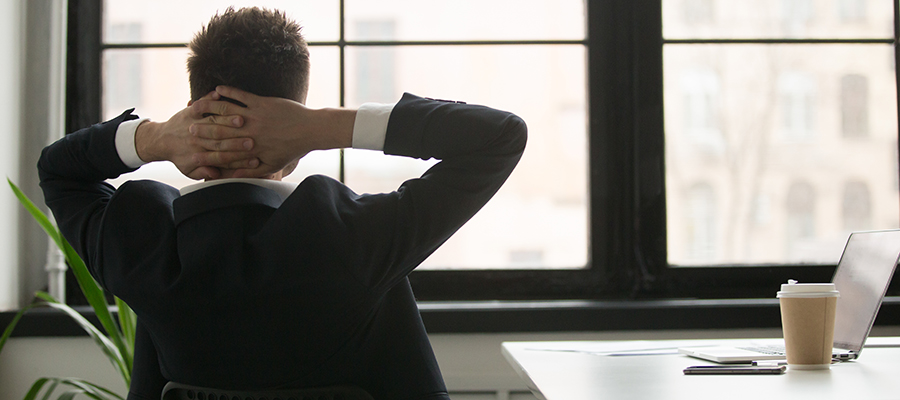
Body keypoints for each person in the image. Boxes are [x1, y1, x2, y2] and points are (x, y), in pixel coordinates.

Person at [38, 7, 526, 400]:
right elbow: (499, 137)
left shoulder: (138, 245)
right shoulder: (352, 236)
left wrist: (157, 138)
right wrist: (320, 127)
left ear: (195, 111)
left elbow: (58, 167)